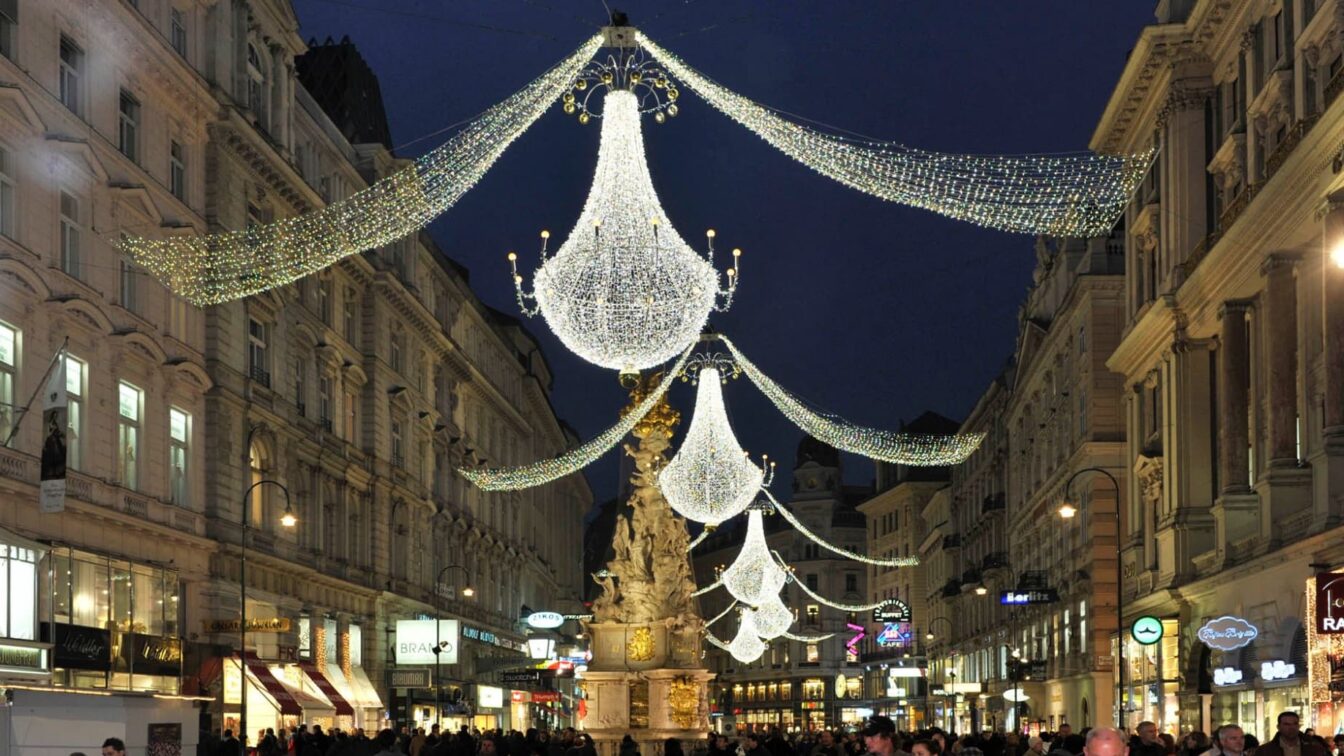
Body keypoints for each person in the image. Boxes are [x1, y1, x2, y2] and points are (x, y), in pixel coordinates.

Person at [1257, 713, 1326, 756]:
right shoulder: (1265, 751)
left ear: (1299, 726)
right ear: (1278, 727)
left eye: (1295, 724)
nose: (1292, 727)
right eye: (1287, 724)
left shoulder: (1315, 748)